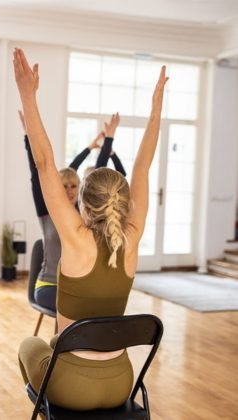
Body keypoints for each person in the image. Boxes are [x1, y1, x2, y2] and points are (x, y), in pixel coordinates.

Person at [13, 47, 168, 410]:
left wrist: (27, 95)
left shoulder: (76, 238)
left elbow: (45, 162)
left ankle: (53, 411)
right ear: (123, 202)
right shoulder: (131, 238)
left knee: (29, 346)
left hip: (72, 388)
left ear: (82, 203)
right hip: (121, 383)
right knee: (54, 346)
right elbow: (143, 168)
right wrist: (156, 108)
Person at [20, 111, 124, 313]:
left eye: (73, 187)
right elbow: (36, 173)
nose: (68, 191)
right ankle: (64, 344)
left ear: (80, 188)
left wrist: (109, 138)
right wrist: (28, 136)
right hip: (48, 286)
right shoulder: (47, 210)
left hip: (77, 286)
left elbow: (98, 172)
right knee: (77, 308)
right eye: (64, 186)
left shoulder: (84, 213)